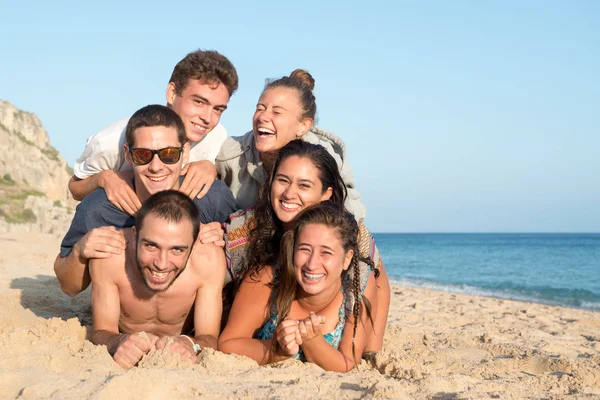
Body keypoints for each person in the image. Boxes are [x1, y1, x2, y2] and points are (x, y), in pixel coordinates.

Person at [223, 140, 389, 353]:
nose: (289, 194)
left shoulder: (347, 234)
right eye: (283, 181)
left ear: (326, 194)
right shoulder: (245, 229)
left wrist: (371, 350)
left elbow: (376, 280)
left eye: (304, 185)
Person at [54, 105, 236, 297]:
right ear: (128, 155)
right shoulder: (97, 209)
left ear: (185, 153)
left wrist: (227, 237)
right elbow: (69, 287)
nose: (156, 167)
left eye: (168, 155)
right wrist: (79, 252)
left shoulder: (212, 198)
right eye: (143, 155)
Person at [69, 49, 238, 214]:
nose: (208, 118)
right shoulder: (111, 142)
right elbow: (75, 187)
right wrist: (103, 178)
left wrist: (210, 168)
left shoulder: (216, 136)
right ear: (172, 93)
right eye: (199, 102)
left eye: (218, 109)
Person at [219, 203, 377, 372]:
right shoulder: (265, 279)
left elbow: (347, 364)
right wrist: (275, 351)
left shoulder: (357, 287)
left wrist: (312, 340)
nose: (312, 264)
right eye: (304, 249)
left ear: (347, 258)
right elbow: (228, 344)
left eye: (326, 253)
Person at [91, 190, 226, 369]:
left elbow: (209, 337)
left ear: (193, 245)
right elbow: (101, 331)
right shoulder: (110, 257)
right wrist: (119, 341)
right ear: (134, 235)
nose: (161, 264)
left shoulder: (209, 259)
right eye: (151, 246)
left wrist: (189, 344)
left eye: (177, 250)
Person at [216, 69, 366, 221]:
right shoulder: (228, 153)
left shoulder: (325, 161)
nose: (263, 116)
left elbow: (354, 218)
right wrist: (207, 165)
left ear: (303, 125)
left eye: (277, 112)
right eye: (260, 108)